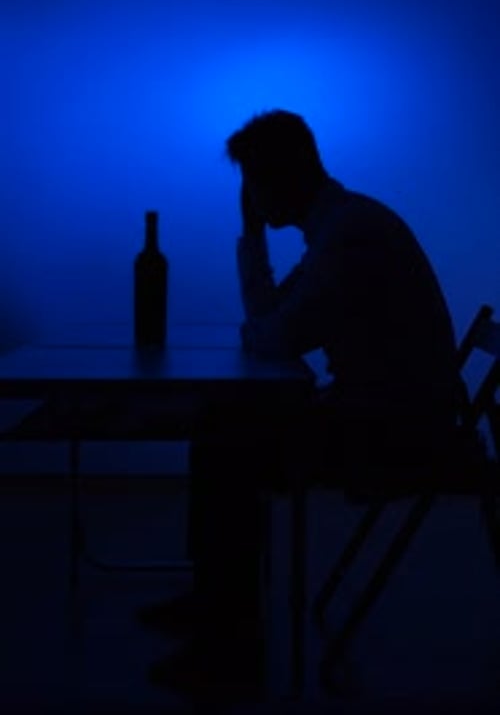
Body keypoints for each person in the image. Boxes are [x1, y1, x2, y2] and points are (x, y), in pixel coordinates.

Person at [140, 109, 462, 698]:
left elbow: (276, 335)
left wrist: (259, 284)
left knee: (227, 448)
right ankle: (216, 607)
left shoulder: (349, 237)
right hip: (384, 414)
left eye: (253, 183)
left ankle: (230, 646)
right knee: (223, 428)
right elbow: (271, 322)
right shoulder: (341, 228)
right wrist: (255, 237)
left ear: (276, 179)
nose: (250, 197)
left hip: (396, 431)